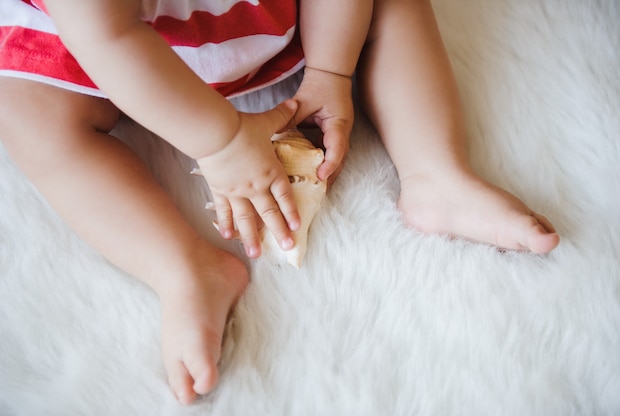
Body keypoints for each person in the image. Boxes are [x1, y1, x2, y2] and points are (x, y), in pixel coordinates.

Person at [0, 0, 560, 405]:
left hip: (275, 19)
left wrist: (330, 70)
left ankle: (435, 171)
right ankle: (182, 268)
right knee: (27, 112)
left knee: (395, 7)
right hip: (115, 52)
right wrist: (219, 142)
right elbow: (108, 37)